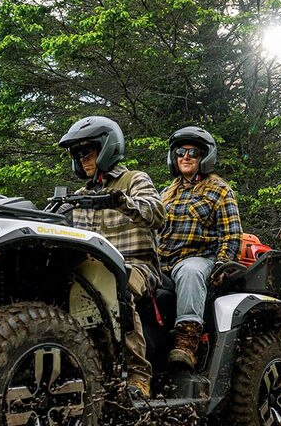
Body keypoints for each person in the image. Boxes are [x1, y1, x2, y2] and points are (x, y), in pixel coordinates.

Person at [57, 116, 165, 398]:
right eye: (77, 154)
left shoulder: (134, 180)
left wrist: (122, 201)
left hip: (136, 266)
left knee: (116, 286)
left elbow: (156, 213)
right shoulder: (79, 196)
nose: (82, 159)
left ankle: (138, 376)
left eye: (87, 151)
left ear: (107, 148)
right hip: (92, 269)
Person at [158, 126, 242, 369]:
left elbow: (231, 235)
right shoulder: (165, 193)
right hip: (163, 262)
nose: (185, 157)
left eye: (193, 152)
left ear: (205, 157)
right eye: (180, 152)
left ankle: (187, 341)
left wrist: (221, 265)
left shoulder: (219, 189)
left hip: (199, 258)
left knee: (190, 272)